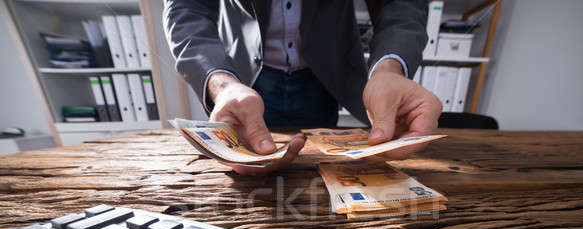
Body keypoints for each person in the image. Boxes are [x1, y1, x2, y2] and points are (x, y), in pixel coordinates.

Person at [163, 0, 442, 174]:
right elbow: (187, 7)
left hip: (323, 79)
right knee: (253, 170)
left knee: (318, 175)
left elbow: (400, 4)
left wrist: (390, 67)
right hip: (245, 79)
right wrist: (221, 84)